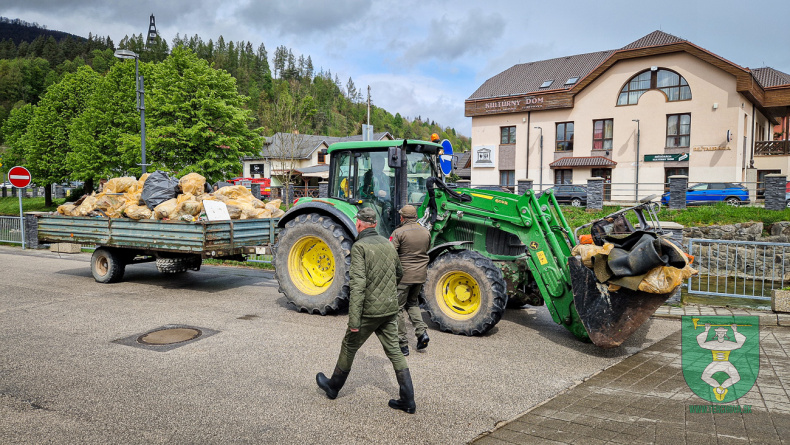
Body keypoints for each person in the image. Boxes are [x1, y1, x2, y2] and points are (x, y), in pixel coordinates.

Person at [316, 207, 416, 413]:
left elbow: (358, 285)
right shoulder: (388, 244)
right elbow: (399, 273)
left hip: (369, 312)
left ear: (359, 224)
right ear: (375, 224)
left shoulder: (360, 247)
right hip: (389, 309)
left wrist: (354, 321)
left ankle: (333, 387)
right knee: (395, 351)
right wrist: (385, 291)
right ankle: (408, 400)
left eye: (357, 223)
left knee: (349, 346)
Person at [389, 205, 431, 356]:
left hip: (404, 277)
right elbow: (427, 249)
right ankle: (421, 333)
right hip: (420, 276)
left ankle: (403, 345)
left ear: (402, 217)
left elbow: (390, 253)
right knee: (413, 303)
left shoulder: (398, 232)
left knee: (398, 308)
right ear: (414, 216)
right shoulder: (425, 232)